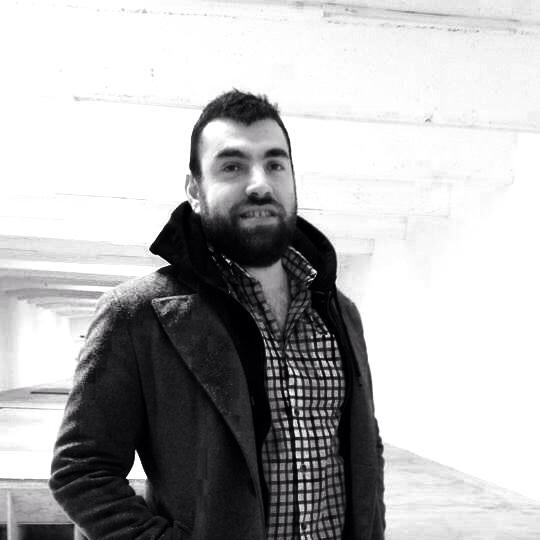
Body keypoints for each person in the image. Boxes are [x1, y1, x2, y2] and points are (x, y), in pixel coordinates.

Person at [49, 90, 385, 540]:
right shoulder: (138, 316)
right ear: (194, 190)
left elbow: (365, 447)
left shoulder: (341, 312)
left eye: (275, 164)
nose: (259, 184)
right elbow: (81, 470)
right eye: (232, 166)